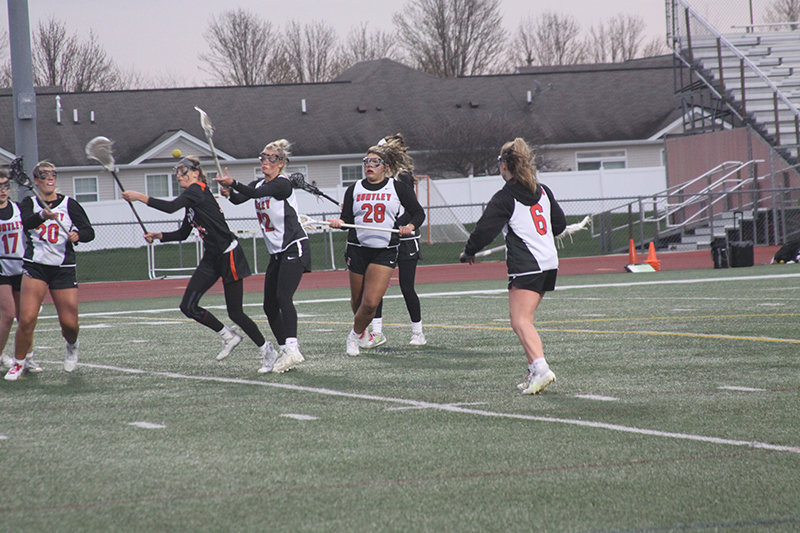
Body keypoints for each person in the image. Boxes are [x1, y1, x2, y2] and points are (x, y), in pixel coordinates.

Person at [122, 156, 278, 370]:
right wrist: (158, 236)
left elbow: (169, 207)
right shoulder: (192, 198)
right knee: (187, 306)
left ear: (196, 173)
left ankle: (267, 350)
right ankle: (228, 336)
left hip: (229, 254)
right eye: (177, 173)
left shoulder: (198, 190)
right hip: (211, 258)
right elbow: (183, 233)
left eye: (183, 172)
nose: (179, 177)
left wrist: (138, 196)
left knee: (236, 313)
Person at [460, 138, 566, 395]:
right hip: (548, 264)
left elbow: (485, 229)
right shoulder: (543, 190)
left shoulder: (506, 196)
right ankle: (533, 370)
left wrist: (469, 251)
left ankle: (541, 368)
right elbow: (559, 225)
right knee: (524, 319)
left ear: (505, 165)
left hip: (527, 264)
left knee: (520, 321)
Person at [214, 140, 310, 373]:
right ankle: (283, 351)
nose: (266, 162)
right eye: (263, 157)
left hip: (294, 246)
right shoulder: (259, 183)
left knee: (283, 297)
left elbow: (256, 192)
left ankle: (293, 349)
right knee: (269, 305)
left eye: (271, 158)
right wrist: (228, 193)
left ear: (281, 164)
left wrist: (234, 183)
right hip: (277, 252)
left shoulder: (282, 184)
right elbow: (241, 198)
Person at [328, 134, 425, 356]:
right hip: (357, 249)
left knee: (371, 303)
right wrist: (339, 223)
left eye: (375, 162)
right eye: (366, 162)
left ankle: (353, 336)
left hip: (385, 251)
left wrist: (409, 226)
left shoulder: (398, 188)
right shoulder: (353, 189)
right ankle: (363, 335)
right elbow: (347, 221)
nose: (369, 166)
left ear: (386, 167)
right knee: (357, 300)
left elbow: (418, 212)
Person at [4, 161, 95, 381]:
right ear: (35, 180)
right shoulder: (30, 203)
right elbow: (26, 223)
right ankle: (18, 363)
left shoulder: (69, 205)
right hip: (36, 267)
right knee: (26, 319)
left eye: (52, 174)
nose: (49, 178)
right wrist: (43, 216)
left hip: (63, 268)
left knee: (69, 323)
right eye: (44, 175)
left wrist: (78, 236)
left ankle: (72, 345)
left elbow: (89, 231)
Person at [367, 134, 426, 347]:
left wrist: (399, 226)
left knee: (406, 287)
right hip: (386, 239)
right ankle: (376, 332)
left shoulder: (403, 178)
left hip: (406, 240)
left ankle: (418, 333)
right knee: (377, 287)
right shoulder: (380, 181)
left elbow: (412, 211)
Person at [0, 170, 39, 375]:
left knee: (25, 317)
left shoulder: (17, 208)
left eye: (5, 186)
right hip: (1, 269)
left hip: (19, 266)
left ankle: (27, 358)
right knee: (7, 315)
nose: (2, 191)